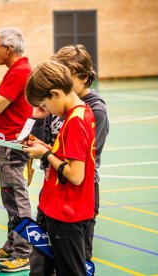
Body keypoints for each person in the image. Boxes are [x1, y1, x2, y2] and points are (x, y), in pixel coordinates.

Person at [28, 45, 109, 275]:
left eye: (44, 105)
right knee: (45, 264)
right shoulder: (74, 112)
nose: (45, 110)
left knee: (74, 267)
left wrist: (46, 155)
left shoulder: (78, 116)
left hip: (70, 207)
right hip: (59, 201)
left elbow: (77, 173)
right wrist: (47, 148)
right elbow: (64, 151)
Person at [0, 27, 34, 272]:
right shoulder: (17, 70)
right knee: (10, 200)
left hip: (13, 146)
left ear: (8, 49)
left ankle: (24, 251)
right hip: (6, 144)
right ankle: (13, 244)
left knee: (18, 200)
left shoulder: (20, 70)